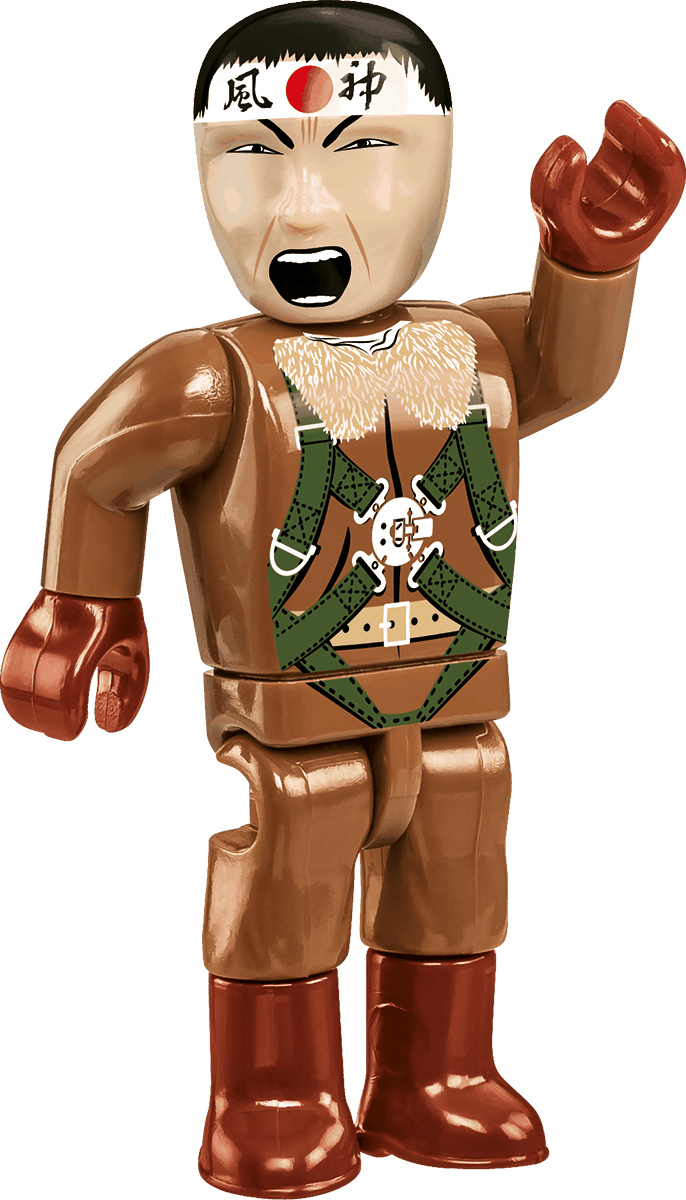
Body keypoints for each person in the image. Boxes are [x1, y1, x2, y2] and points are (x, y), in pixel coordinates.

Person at [2, 3, 683, 1197]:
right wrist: (81, 604)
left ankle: (436, 1076)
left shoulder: (471, 350)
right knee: (289, 877)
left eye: (363, 150)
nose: (304, 207)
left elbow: (568, 368)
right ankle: (271, 1092)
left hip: (457, 698)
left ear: (440, 163)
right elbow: (98, 464)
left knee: (457, 868)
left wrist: (588, 263)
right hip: (297, 719)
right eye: (253, 156)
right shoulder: (209, 375)